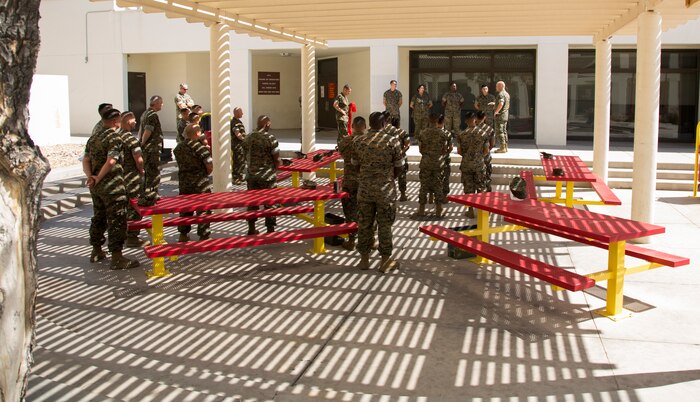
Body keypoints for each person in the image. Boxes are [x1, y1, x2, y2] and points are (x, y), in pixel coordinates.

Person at [82, 108, 139, 270]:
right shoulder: (114, 137)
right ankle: (117, 257)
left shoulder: (93, 138)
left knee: (99, 217)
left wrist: (91, 177)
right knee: (117, 219)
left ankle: (97, 250)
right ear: (115, 122)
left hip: (96, 187)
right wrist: (99, 177)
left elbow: (86, 159)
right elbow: (112, 160)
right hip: (113, 186)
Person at [352, 111, 403, 273]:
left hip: (365, 190)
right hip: (385, 191)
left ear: (369, 123)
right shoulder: (392, 141)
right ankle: (385, 260)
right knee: (385, 226)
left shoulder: (359, 141)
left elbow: (355, 165)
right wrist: (387, 178)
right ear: (383, 124)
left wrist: (367, 176)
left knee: (364, 224)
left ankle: (364, 260)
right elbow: (399, 167)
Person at [174, 124, 214, 242]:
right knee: (203, 209)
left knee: (185, 209)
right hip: (200, 183)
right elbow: (209, 166)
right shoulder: (200, 148)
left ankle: (183, 234)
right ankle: (204, 235)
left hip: (184, 182)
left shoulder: (178, 148)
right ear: (197, 133)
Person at [243, 115, 281, 235]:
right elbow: (276, 158)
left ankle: (251, 228)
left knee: (252, 203)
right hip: (267, 176)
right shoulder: (270, 138)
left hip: (251, 175)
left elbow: (244, 155)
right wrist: (275, 168)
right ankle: (270, 229)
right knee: (270, 203)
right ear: (267, 124)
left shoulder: (247, 137)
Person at [117, 111, 148, 248]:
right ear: (129, 121)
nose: (136, 122)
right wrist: (141, 170)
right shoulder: (130, 139)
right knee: (134, 207)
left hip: (117, 178)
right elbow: (138, 159)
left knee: (120, 207)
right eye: (134, 120)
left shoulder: (115, 136)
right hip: (131, 178)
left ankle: (121, 233)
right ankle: (132, 236)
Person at [337, 116, 367, 251]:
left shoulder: (345, 141)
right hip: (366, 182)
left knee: (350, 212)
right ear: (365, 127)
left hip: (349, 181)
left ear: (353, 127)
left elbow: (342, 155)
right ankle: (369, 240)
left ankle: (351, 241)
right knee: (367, 213)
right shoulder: (369, 141)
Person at [415, 113, 451, 218]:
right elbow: (446, 149)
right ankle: (439, 209)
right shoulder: (443, 134)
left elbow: (421, 149)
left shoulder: (422, 133)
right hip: (438, 163)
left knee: (423, 186)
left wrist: (428, 154)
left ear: (428, 120)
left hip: (425, 162)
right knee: (438, 185)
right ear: (437, 121)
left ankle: (421, 209)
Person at [457, 112, 489, 218]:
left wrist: (467, 156)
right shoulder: (483, 134)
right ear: (475, 119)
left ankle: (470, 211)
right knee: (481, 187)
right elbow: (486, 150)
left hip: (466, 165)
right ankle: (482, 211)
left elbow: (459, 151)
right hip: (479, 164)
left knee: (468, 189)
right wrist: (478, 157)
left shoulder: (461, 135)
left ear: (465, 121)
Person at [137, 95, 164, 206]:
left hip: (148, 148)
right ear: (156, 103)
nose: (162, 105)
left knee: (148, 172)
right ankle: (151, 194)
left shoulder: (145, 113)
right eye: (161, 103)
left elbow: (141, 129)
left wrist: (140, 143)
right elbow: (147, 130)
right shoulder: (152, 115)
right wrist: (142, 143)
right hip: (151, 149)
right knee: (153, 172)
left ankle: (147, 193)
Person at [387, 115, 410, 201]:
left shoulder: (388, 133)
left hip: (391, 158)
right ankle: (403, 195)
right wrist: (400, 153)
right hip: (401, 158)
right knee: (402, 177)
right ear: (399, 124)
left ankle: (390, 194)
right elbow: (407, 146)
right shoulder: (403, 132)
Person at [476, 110, 496, 192]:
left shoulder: (472, 129)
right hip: (485, 156)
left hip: (474, 157)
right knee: (487, 175)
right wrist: (486, 150)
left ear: (476, 118)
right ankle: (487, 193)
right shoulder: (489, 129)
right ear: (484, 117)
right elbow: (492, 144)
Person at [439, 114, 454, 202]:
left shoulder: (427, 132)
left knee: (432, 178)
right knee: (445, 178)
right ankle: (444, 197)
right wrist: (446, 153)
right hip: (444, 160)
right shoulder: (447, 134)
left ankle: (430, 196)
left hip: (431, 160)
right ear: (444, 122)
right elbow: (451, 147)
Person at [230, 107, 247, 185]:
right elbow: (237, 133)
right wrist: (244, 139)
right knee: (238, 161)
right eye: (241, 112)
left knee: (241, 161)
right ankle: (235, 178)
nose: (242, 113)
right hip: (237, 145)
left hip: (240, 145)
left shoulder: (238, 121)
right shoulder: (235, 122)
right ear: (236, 113)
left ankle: (240, 177)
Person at [493, 80, 511, 153]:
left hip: (500, 116)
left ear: (501, 86)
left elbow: (501, 103)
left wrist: (496, 111)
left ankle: (502, 148)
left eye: (497, 86)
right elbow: (507, 104)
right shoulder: (507, 94)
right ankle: (505, 147)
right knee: (504, 131)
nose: (496, 87)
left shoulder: (501, 94)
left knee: (500, 131)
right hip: (505, 115)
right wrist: (494, 103)